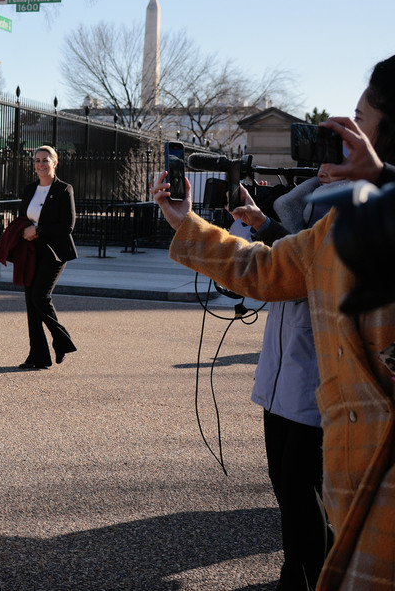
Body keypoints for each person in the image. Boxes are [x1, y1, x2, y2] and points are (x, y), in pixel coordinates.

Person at [153, 54, 395, 591]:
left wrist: (383, 180)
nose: (342, 136)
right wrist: (185, 223)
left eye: (360, 120)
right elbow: (262, 269)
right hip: (351, 475)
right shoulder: (334, 225)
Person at [228, 175, 343, 590]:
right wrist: (262, 223)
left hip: (320, 372)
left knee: (300, 486)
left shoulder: (364, 202)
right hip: (281, 368)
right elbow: (294, 253)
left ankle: (315, 576)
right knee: (285, 482)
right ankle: (295, 572)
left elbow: (303, 266)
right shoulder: (309, 197)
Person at [15, 145, 77, 369]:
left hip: (55, 253)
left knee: (40, 297)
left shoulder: (63, 189)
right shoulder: (30, 189)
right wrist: (23, 231)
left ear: (55, 163)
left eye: (45, 160)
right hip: (31, 251)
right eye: (37, 160)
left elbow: (67, 226)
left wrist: (38, 231)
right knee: (30, 302)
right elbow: (23, 217)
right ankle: (38, 356)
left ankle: (61, 341)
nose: (41, 164)